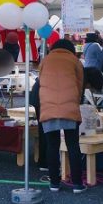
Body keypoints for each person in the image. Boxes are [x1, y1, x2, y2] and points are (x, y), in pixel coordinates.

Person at [38, 39, 86, 193]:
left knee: (52, 145)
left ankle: (54, 183)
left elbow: (40, 81)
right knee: (73, 144)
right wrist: (76, 102)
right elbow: (80, 85)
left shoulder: (45, 60)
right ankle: (78, 184)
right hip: (69, 106)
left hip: (48, 106)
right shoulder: (75, 61)